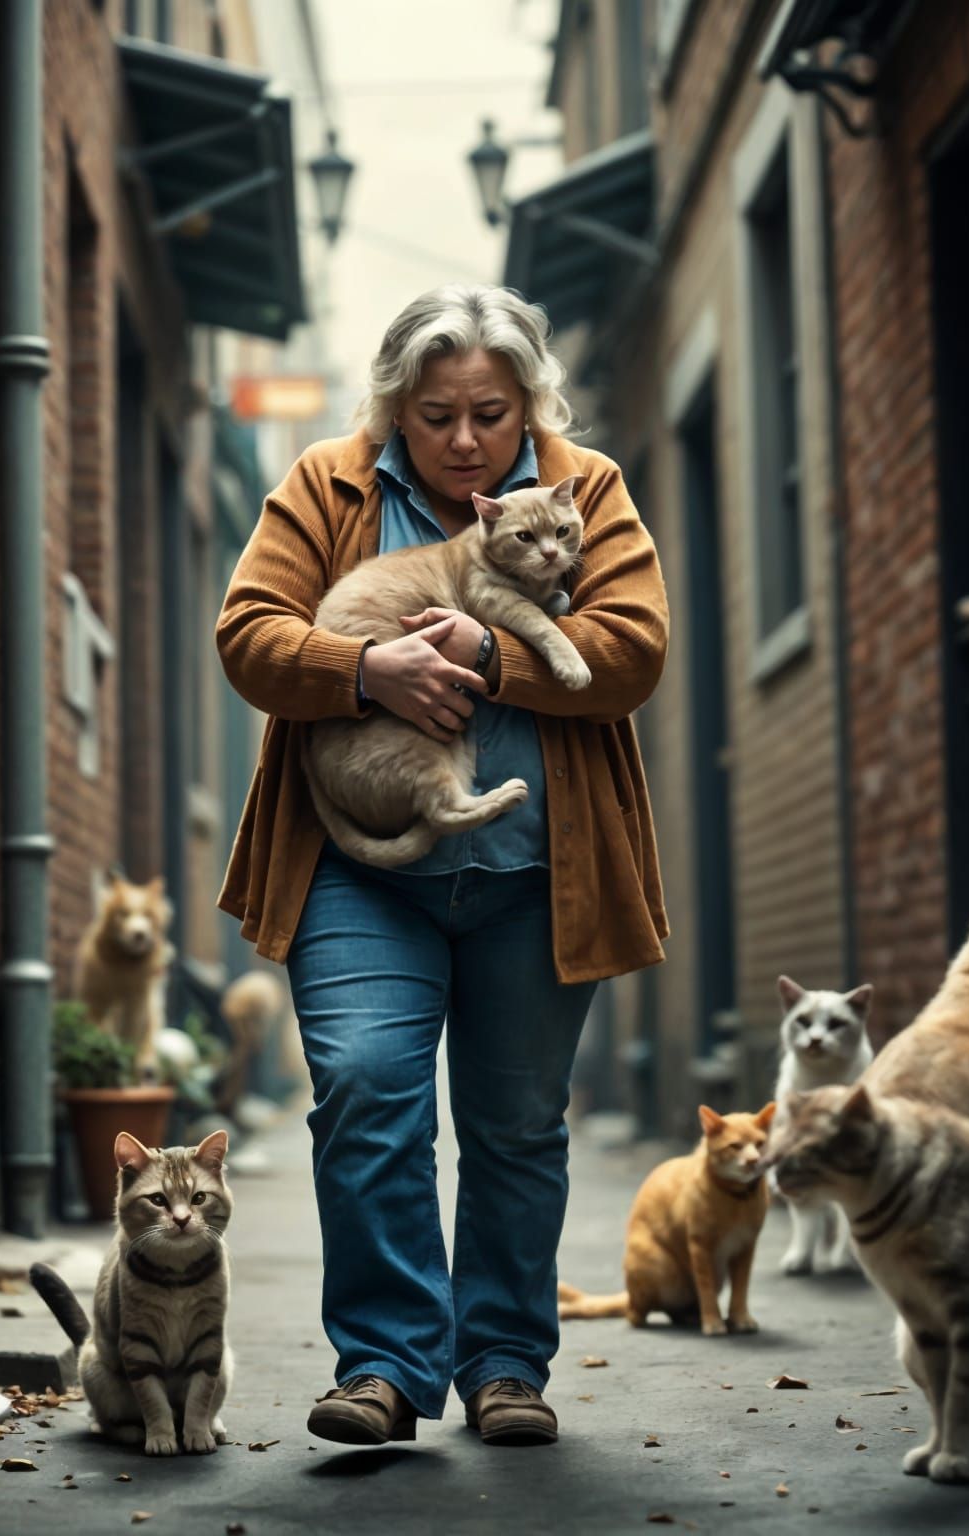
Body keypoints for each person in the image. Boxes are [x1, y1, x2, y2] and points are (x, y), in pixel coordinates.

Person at [214, 284, 668, 1448]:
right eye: (435, 416)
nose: (465, 442)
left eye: (490, 413)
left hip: (537, 873)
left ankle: (507, 1361)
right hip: (361, 873)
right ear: (394, 410)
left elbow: (632, 648)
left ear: (530, 406)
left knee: (518, 1124)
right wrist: (368, 673)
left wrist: (492, 655)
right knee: (366, 1088)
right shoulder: (328, 484)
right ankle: (383, 1366)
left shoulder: (589, 490)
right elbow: (251, 632)